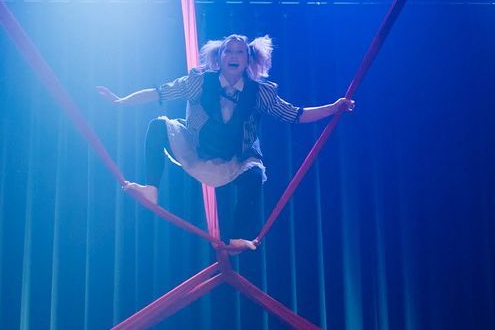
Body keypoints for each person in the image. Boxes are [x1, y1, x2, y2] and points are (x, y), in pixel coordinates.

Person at [97, 33, 354, 251]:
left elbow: (294, 115)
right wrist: (121, 101)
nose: (233, 56)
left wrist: (333, 108)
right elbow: (160, 93)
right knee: (157, 126)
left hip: (234, 158)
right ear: (219, 58)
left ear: (248, 60)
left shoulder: (260, 92)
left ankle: (237, 237)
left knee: (255, 175)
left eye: (240, 52)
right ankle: (152, 189)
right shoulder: (199, 82)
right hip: (198, 149)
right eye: (228, 51)